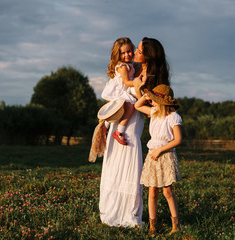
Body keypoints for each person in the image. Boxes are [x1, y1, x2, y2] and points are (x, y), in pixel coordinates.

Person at [99, 37, 171, 228]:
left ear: (148, 56)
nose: (134, 53)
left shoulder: (151, 76)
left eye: (138, 50)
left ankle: (128, 213)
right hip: (120, 119)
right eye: (136, 50)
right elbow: (118, 90)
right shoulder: (131, 68)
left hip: (133, 123)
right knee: (115, 163)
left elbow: (145, 105)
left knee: (129, 160)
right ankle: (112, 209)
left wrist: (138, 88)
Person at [134, 84, 182, 235]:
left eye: (154, 100)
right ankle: (152, 226)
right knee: (152, 191)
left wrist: (160, 150)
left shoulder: (173, 117)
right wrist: (145, 96)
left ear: (162, 102)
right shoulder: (154, 113)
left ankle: (176, 225)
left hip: (165, 155)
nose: (151, 103)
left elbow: (178, 139)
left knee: (167, 191)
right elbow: (137, 105)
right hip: (152, 156)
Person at [101, 37, 137, 145]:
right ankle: (119, 131)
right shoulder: (123, 67)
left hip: (121, 90)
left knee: (118, 110)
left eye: (129, 51)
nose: (127, 55)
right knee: (130, 107)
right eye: (123, 53)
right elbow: (126, 82)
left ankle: (105, 127)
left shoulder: (130, 64)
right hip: (119, 90)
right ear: (118, 54)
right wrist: (138, 82)